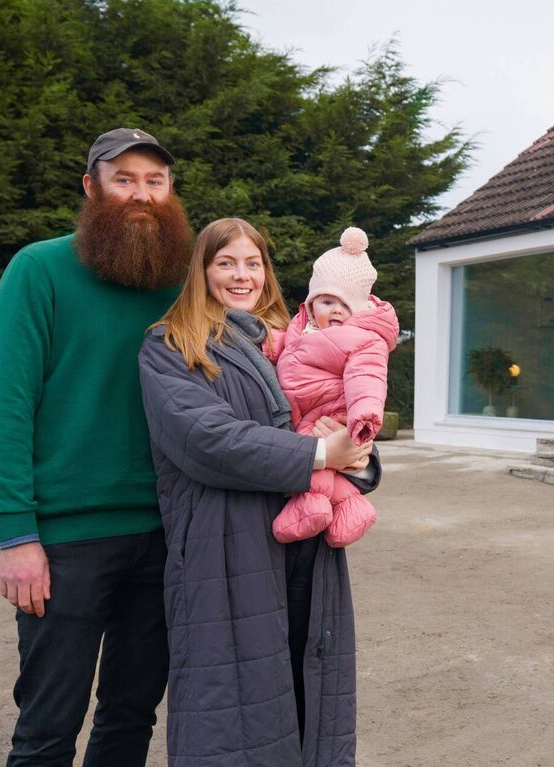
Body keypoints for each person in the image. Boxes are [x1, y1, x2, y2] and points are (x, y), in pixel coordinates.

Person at [0, 127, 193, 766]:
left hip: (164, 533)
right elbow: (4, 407)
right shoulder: (38, 270)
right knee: (48, 724)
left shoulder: (183, 281)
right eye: (124, 179)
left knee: (131, 718)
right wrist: (17, 537)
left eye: (155, 182)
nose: (142, 195)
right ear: (91, 186)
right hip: (65, 541)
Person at [137, 217, 378, 766]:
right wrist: (319, 455)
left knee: (309, 693)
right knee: (232, 707)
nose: (241, 275)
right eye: (226, 263)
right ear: (202, 271)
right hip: (226, 548)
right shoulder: (170, 347)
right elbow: (206, 439)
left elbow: (341, 415)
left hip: (306, 547)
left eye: (253, 263)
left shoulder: (292, 343)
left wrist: (356, 454)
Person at [271, 226, 399, 546]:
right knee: (321, 453)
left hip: (332, 412)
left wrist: (365, 414)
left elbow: (367, 377)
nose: (337, 310)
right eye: (327, 301)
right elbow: (285, 347)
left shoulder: (363, 339)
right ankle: (352, 506)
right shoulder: (301, 328)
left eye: (346, 305)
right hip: (305, 407)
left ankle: (312, 506)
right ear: (311, 304)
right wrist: (264, 343)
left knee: (314, 452)